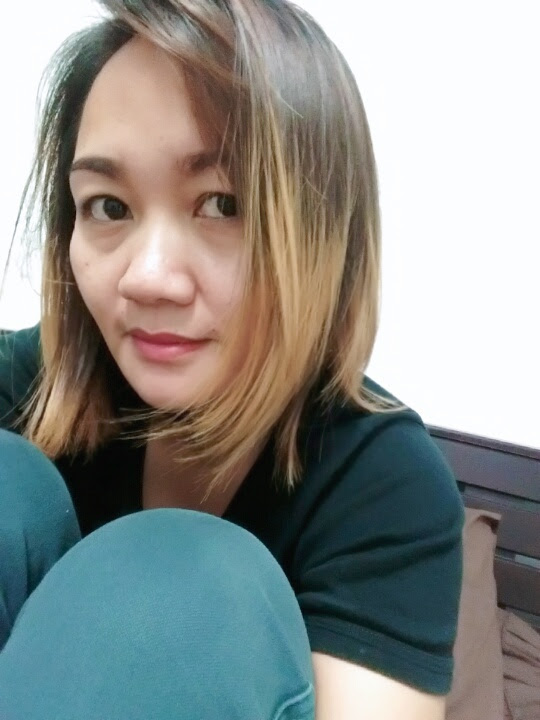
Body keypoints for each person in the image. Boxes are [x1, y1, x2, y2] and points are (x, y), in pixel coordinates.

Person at [0, 0, 464, 717]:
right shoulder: (33, 384)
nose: (148, 278)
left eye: (223, 204)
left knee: (189, 588)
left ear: (323, 234)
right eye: (109, 207)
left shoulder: (384, 488)